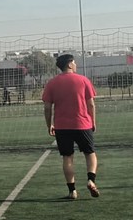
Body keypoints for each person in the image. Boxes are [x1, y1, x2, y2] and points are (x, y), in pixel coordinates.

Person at [42, 54, 99, 200]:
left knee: (67, 157)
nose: (75, 64)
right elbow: (91, 104)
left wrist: (49, 125)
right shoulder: (83, 80)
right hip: (82, 124)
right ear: (69, 64)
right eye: (74, 62)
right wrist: (93, 121)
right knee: (90, 153)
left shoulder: (52, 83)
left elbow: (47, 108)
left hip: (62, 126)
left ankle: (72, 191)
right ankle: (91, 180)